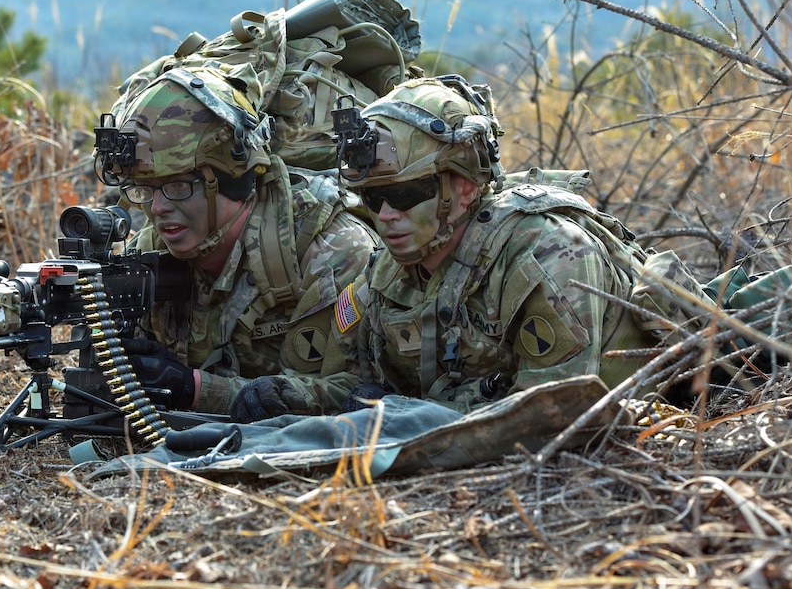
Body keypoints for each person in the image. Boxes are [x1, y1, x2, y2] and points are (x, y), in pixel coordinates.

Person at [229, 74, 694, 421]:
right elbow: (357, 385)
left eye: (407, 194)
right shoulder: (384, 273)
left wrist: (411, 412)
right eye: (373, 198)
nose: (387, 214)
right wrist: (293, 397)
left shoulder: (548, 254)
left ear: (465, 187)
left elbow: (554, 413)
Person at [83, 63, 380, 419]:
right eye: (145, 190)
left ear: (231, 182)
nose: (158, 208)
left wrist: (195, 390)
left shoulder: (331, 251)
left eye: (179, 186)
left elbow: (361, 395)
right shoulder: (149, 253)